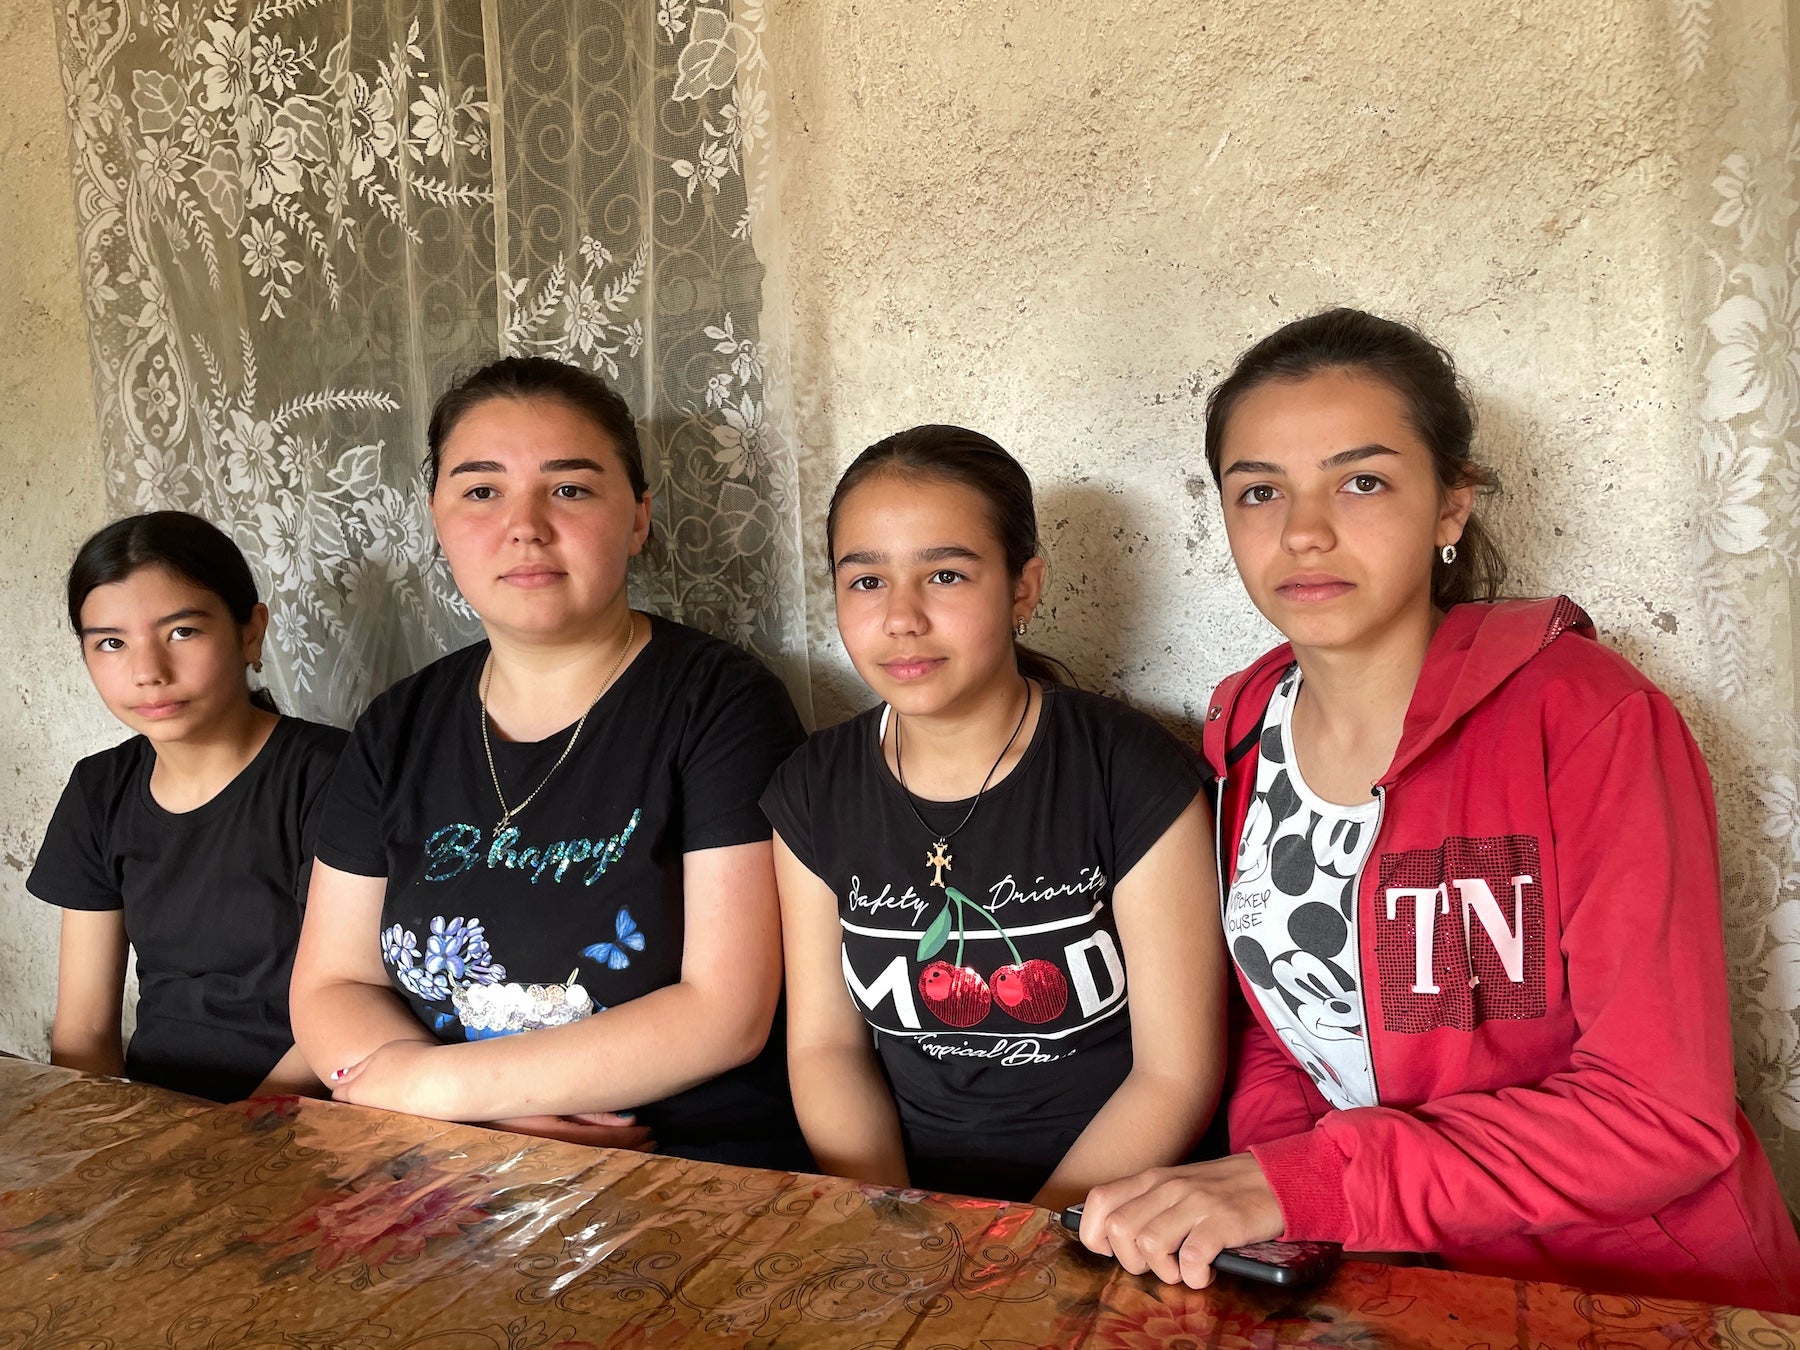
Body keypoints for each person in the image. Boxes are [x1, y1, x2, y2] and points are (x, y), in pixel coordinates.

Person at [1076, 307, 1800, 1310]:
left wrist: (1310, 1185)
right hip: (1371, 1285)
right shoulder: (1243, 725)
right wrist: (1277, 1203)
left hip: (1622, 1290)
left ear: (1451, 508)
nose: (1305, 531)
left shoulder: (1588, 721)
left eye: (1361, 480)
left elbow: (1661, 1117)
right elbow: (1282, 1034)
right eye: (1259, 491)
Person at [290, 355, 807, 1167]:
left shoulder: (721, 704)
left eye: (569, 488)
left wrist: (437, 1091)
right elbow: (332, 985)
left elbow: (726, 1012)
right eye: (481, 489)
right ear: (436, 518)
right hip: (438, 1161)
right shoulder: (396, 725)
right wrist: (461, 1112)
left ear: (638, 519)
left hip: (672, 1169)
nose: (524, 524)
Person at [761, 425, 1226, 1210]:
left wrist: (1022, 1244)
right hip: (900, 1201)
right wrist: (892, 1219)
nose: (902, 618)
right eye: (866, 581)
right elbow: (825, 1048)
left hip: (1115, 1207)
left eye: (944, 575)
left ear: (1023, 586)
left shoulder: (1128, 770)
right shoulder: (813, 786)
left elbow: (1175, 1075)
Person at [29, 511, 345, 1102]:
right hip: (160, 1116)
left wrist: (229, 1145)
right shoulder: (99, 789)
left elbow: (358, 1002)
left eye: (182, 632)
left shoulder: (335, 776)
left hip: (313, 1118)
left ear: (250, 632)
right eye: (112, 644)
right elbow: (84, 1033)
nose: (148, 673)